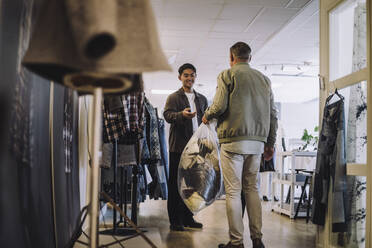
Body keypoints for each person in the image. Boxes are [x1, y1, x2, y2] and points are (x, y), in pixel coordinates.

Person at [202, 42, 278, 248]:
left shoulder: (227, 75)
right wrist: (270, 143)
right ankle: (257, 239)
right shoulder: (264, 80)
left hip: (233, 141)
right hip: (257, 144)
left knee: (234, 192)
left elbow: (219, 105)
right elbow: (273, 114)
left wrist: (206, 116)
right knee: (252, 189)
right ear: (250, 58)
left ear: (231, 57)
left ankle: (236, 242)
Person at [163, 63, 208, 231]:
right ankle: (175, 220)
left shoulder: (201, 99)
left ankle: (188, 218)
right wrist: (181, 115)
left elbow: (205, 119)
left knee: (193, 185)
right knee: (176, 184)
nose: (190, 78)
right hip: (179, 148)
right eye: (186, 75)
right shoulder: (174, 97)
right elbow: (167, 115)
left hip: (197, 148)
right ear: (180, 77)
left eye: (192, 75)